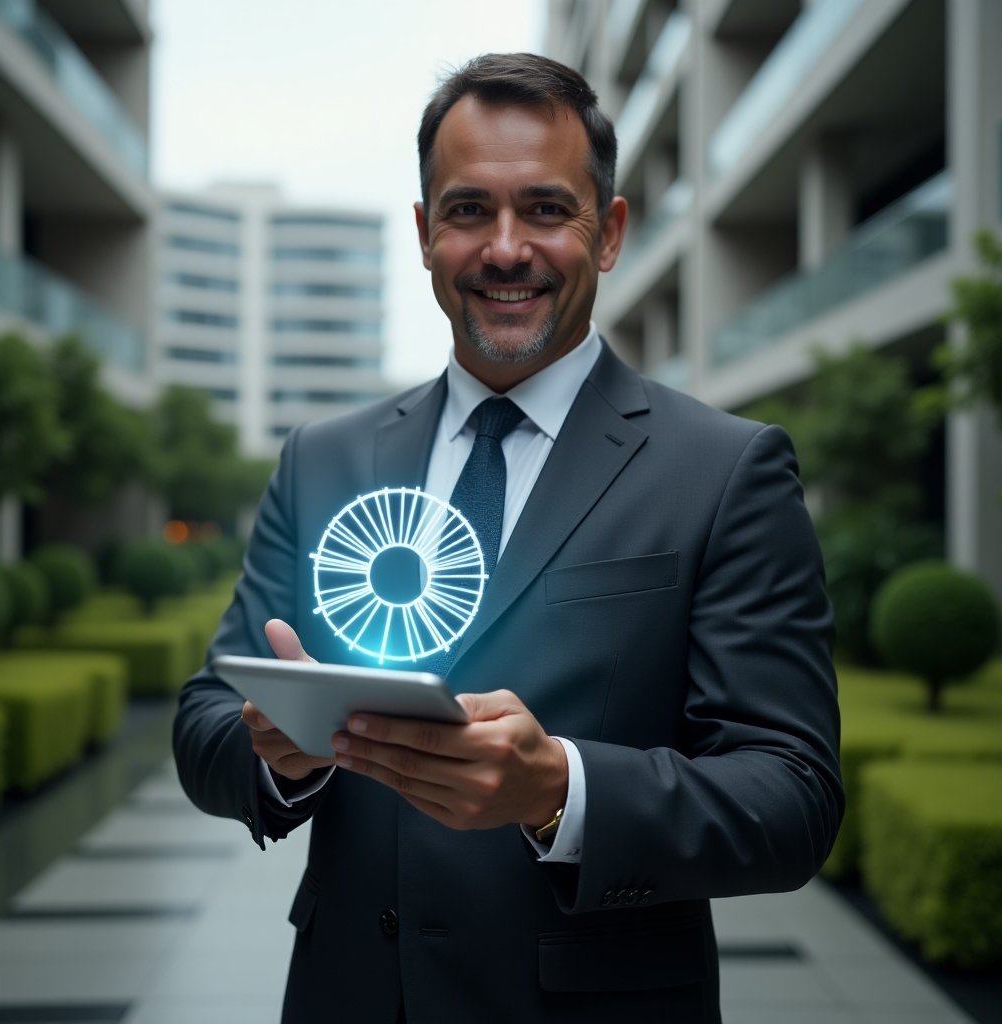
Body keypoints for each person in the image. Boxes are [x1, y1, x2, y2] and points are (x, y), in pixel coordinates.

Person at [173, 52, 843, 1023]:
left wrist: (558, 789)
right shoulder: (322, 459)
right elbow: (202, 722)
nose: (503, 248)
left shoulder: (725, 470)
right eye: (466, 211)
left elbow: (791, 797)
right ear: (422, 233)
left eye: (543, 209)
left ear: (607, 233)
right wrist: (277, 753)